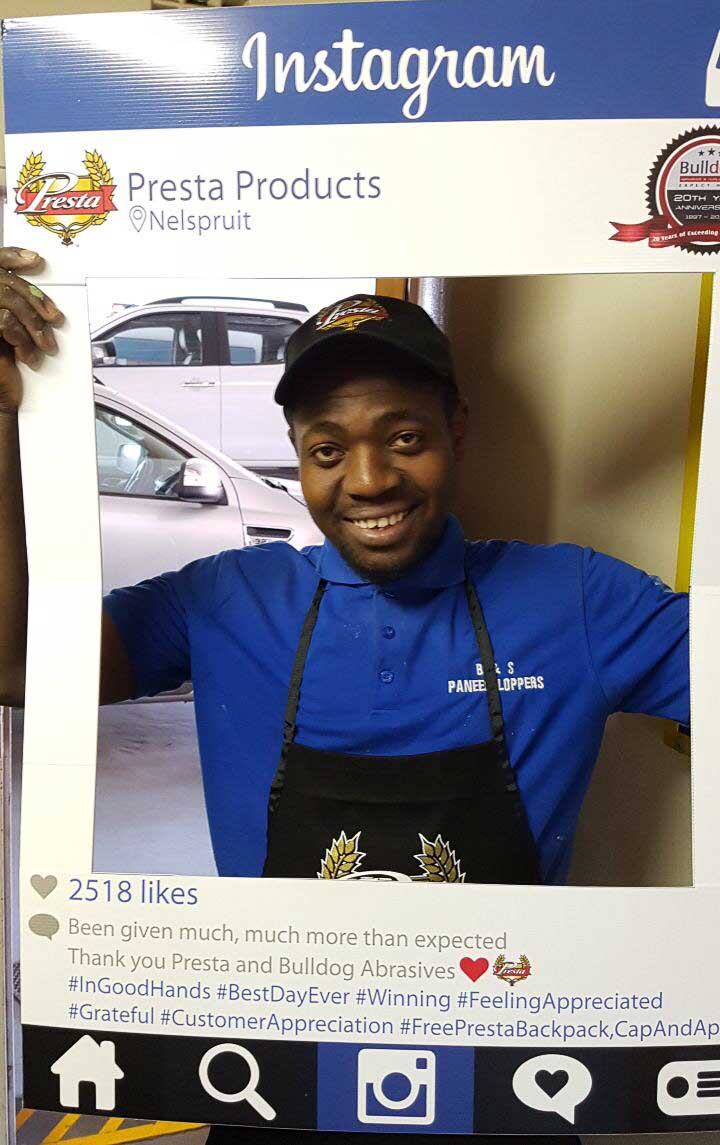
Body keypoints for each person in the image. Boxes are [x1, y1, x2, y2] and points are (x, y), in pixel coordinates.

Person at [0, 249, 689, 1140]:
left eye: (404, 438)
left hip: (506, 1088)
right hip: (268, 1086)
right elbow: (16, 665)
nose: (367, 481)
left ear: (457, 430)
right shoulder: (226, 601)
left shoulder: (576, 600)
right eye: (329, 450)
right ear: (298, 456)